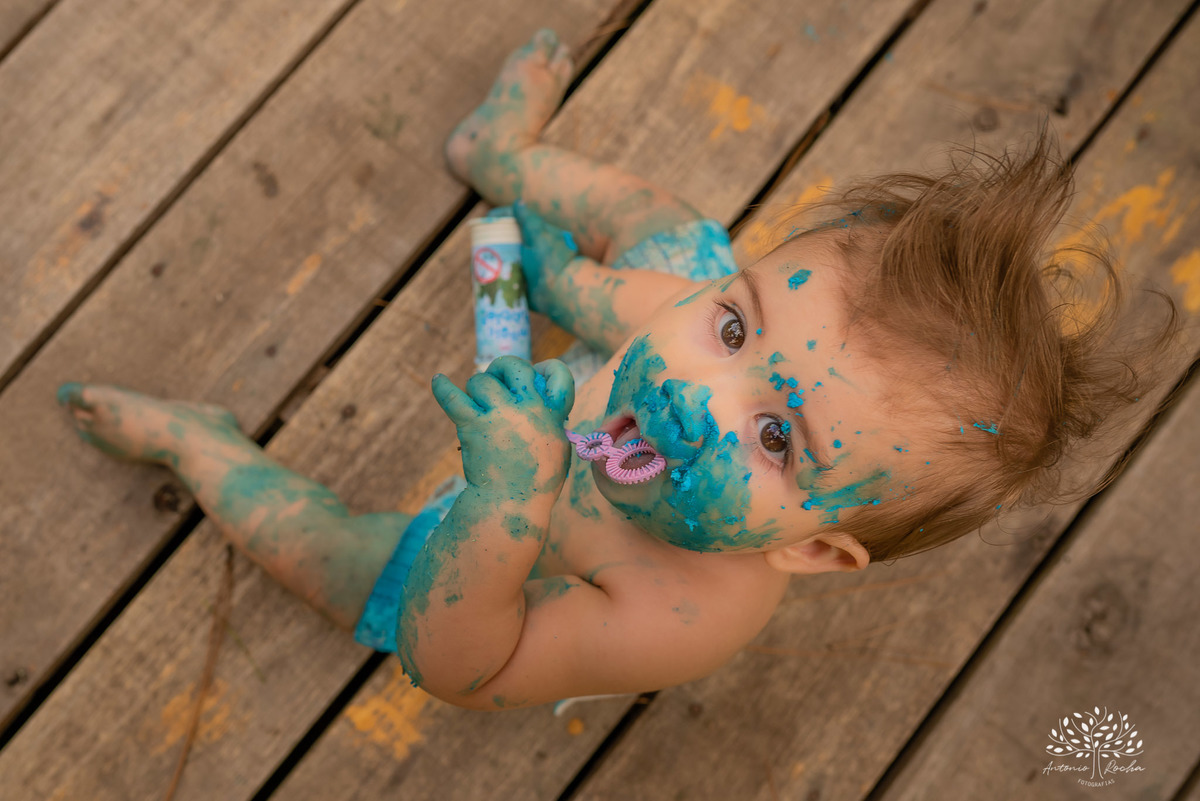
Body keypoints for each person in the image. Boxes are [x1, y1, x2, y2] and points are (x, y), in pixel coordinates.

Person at [56, 29, 1176, 709]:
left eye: (779, 438)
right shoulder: (692, 326)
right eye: (739, 333)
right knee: (676, 233)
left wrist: (502, 510)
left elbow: (463, 667)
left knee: (344, 563)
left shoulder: (688, 608)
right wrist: (564, 286)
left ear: (815, 546)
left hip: (489, 552)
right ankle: (507, 158)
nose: (695, 394)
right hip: (565, 389)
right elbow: (651, 308)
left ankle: (204, 449)